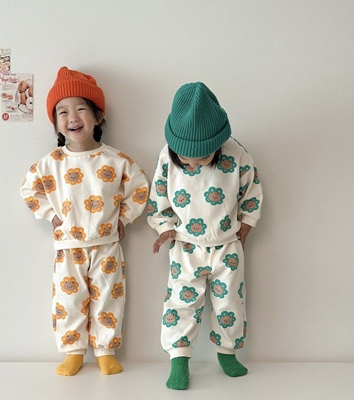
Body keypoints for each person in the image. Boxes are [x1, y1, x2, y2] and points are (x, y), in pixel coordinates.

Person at [20, 67, 149, 376]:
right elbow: (29, 190)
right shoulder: (50, 164)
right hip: (68, 247)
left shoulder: (116, 160)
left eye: (81, 109)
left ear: (97, 116)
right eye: (62, 112)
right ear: (56, 123)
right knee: (68, 300)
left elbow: (140, 188)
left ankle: (106, 351)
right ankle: (73, 351)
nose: (72, 117)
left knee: (109, 298)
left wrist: (125, 218)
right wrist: (51, 216)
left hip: (107, 245)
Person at [147, 82, 263, 390]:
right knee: (180, 304)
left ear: (219, 142)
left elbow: (251, 191)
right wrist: (164, 226)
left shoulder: (236, 154)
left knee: (230, 302)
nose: (193, 164)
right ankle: (179, 359)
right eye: (186, 160)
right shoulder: (166, 156)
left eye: (202, 158)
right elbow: (159, 196)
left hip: (227, 246)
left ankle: (227, 352)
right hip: (185, 246)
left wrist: (247, 224)